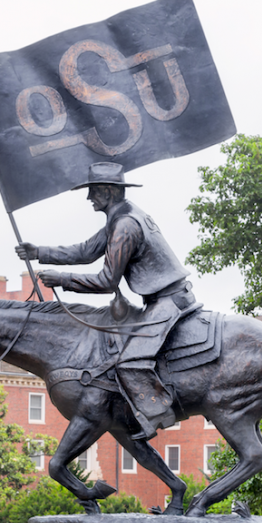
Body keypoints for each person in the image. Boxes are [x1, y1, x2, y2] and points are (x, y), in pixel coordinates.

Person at [15, 162, 197, 441]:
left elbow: (107, 281)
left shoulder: (125, 225)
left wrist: (62, 280)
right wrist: (39, 251)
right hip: (160, 299)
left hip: (169, 302)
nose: (89, 198)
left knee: (129, 358)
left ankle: (155, 415)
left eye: (94, 192)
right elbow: (87, 251)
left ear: (110, 192)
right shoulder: (121, 215)